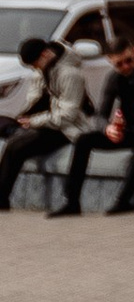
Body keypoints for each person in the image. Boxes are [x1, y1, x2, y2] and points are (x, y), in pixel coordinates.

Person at [63, 31, 134, 218]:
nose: (125, 67)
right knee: (84, 140)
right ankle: (72, 201)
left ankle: (123, 201)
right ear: (110, 61)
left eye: (128, 61)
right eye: (119, 64)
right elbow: (100, 115)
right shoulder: (114, 79)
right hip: (130, 130)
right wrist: (107, 128)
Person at [0, 32, 100, 216]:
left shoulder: (70, 74)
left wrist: (35, 121)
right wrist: (27, 117)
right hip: (51, 124)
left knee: (18, 147)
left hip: (70, 129)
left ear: (46, 54)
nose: (35, 69)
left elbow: (68, 115)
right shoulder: (45, 70)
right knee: (13, 145)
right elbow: (34, 98)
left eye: (36, 64)